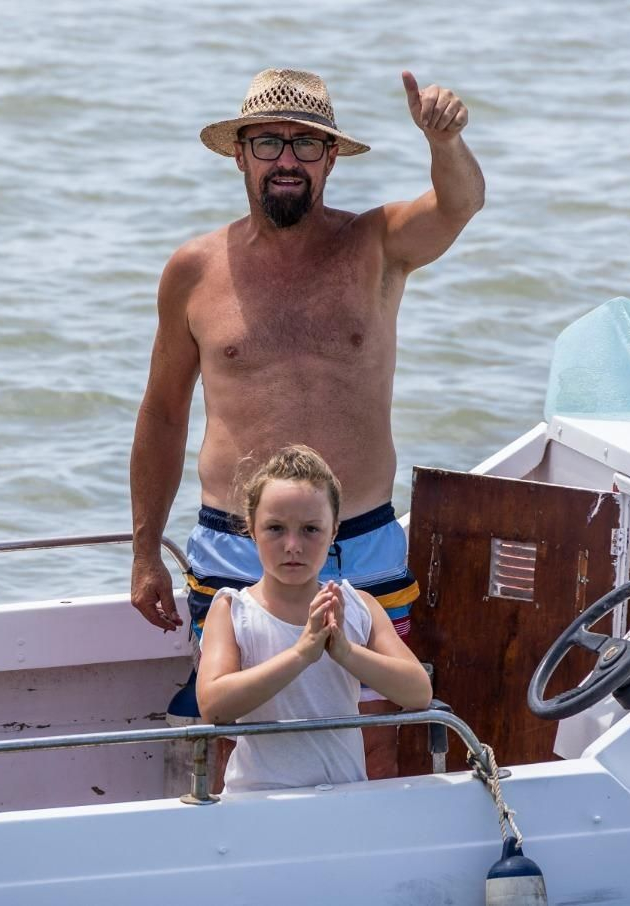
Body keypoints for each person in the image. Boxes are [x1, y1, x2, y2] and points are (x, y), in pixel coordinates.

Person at [129, 68, 482, 772]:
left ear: (329, 157)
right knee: (235, 733)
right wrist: (144, 551)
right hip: (234, 545)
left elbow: (459, 204)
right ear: (240, 154)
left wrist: (444, 142)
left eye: (304, 144)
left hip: (362, 539)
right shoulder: (194, 270)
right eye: (268, 143)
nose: (286, 159)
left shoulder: (377, 244)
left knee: (377, 730)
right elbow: (164, 416)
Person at [196, 446, 431, 792]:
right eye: (275, 528)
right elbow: (213, 707)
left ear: (334, 530)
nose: (293, 545)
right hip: (258, 801)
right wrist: (301, 653)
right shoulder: (232, 610)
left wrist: (346, 653)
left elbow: (418, 692)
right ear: (251, 527)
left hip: (345, 799)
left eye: (310, 529)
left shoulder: (358, 605)